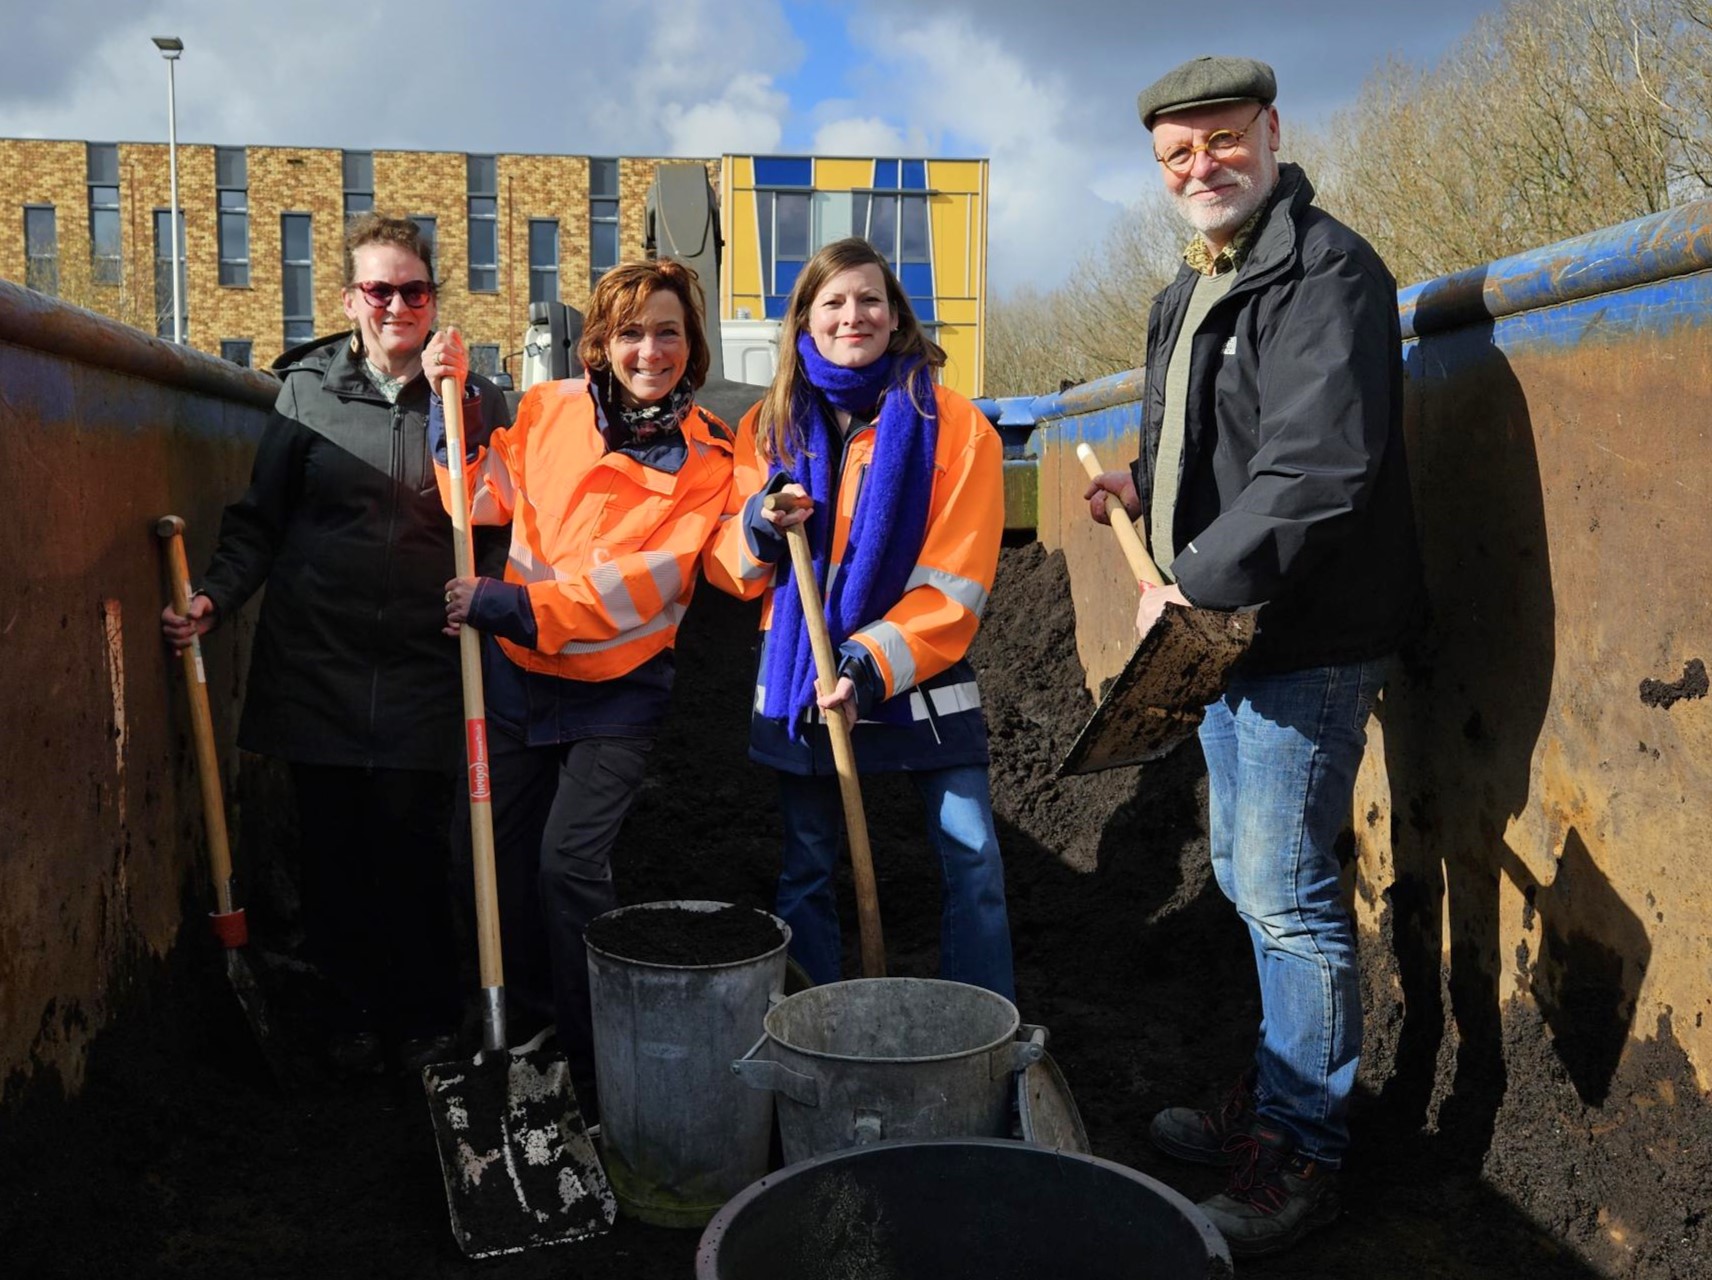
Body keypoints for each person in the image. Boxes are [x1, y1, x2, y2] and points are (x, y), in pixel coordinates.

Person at [1083, 55, 1425, 1257]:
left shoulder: (1325, 272)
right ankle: (1281, 1090)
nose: (1200, 168)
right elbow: (1203, 437)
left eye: (1221, 141)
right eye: (1176, 155)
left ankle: (1300, 1147)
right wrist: (1139, 486)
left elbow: (1314, 473)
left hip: (1300, 639)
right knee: (1243, 872)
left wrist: (1188, 583)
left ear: (1271, 133)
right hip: (1225, 636)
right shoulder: (1191, 286)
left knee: (1284, 892)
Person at [159, 214, 509, 1075]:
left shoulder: (475, 399)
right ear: (351, 298)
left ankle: (426, 1019)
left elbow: (505, 534)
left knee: (414, 847)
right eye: (379, 289)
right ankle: (350, 1016)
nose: (397, 305)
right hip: (318, 660)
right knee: (334, 851)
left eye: (414, 291)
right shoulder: (305, 392)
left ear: (434, 300)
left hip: (429, 664)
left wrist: (497, 604)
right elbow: (259, 523)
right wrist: (215, 595)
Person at [423, 258, 739, 1115]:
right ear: (599, 342)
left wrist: (508, 604)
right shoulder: (552, 407)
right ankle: (514, 1026)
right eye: (630, 332)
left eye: (667, 331)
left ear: (691, 344)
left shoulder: (709, 456)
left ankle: (592, 1054)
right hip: (519, 681)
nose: (649, 350)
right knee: (483, 857)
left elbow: (651, 582)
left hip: (616, 691)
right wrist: (447, 421)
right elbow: (484, 499)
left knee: (568, 866)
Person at [710, 237, 1015, 1001]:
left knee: (973, 857)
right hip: (806, 673)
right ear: (806, 319)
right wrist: (757, 522)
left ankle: (981, 1027)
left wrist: (867, 664)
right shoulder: (768, 426)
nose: (856, 315)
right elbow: (730, 566)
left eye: (871, 299)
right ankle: (820, 1020)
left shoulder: (954, 424)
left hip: (919, 670)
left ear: (895, 313)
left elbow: (959, 577)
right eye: (835, 302)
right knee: (809, 861)